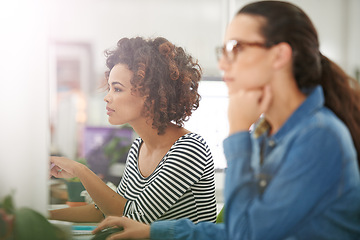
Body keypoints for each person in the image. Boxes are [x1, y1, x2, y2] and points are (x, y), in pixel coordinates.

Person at [92, 1, 360, 239]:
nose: (223, 64)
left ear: (279, 56)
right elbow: (239, 228)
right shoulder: (272, 136)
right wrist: (154, 232)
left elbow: (245, 234)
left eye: (237, 48)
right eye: (224, 50)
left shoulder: (318, 136)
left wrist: (237, 132)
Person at [49, 36, 217, 224]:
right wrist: (42, 216)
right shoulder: (139, 147)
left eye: (117, 89)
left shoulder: (190, 149)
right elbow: (104, 212)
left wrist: (80, 170)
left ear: (151, 95)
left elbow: (134, 217)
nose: (107, 97)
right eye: (109, 88)